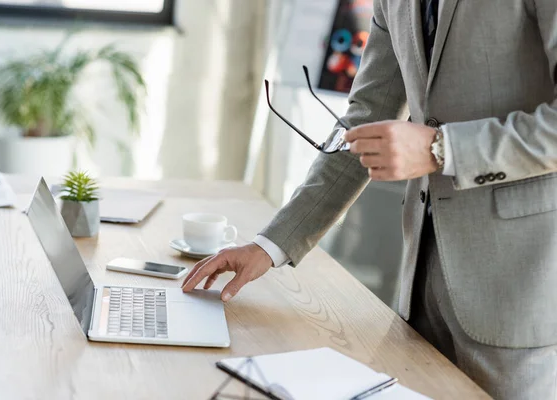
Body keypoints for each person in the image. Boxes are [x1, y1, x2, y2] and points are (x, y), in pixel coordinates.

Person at [182, 1, 557, 398]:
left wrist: (444, 148)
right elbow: (365, 122)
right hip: (419, 290)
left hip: (520, 290)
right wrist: (270, 245)